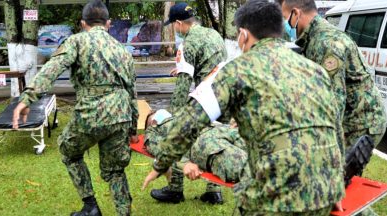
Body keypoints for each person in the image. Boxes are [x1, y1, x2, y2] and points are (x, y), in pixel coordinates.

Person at [142, 0, 344, 214]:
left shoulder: (236, 71)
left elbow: (189, 122)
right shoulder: (315, 70)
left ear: (244, 35)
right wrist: (336, 184)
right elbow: (334, 127)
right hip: (322, 191)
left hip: (272, 194)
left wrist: (161, 164)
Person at [12, 1, 138, 215]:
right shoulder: (122, 49)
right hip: (121, 113)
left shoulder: (76, 41)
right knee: (115, 169)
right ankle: (124, 212)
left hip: (91, 113)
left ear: (82, 23)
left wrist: (27, 98)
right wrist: (133, 127)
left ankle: (90, 207)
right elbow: (132, 91)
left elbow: (53, 67)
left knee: (68, 151)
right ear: (108, 24)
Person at [278, 0, 386, 152]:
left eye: (284, 17)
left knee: (330, 168)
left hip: (360, 124)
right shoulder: (314, 38)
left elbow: (332, 104)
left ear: (296, 13)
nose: (284, 25)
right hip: (353, 117)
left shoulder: (326, 43)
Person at [152, 2, 228, 204]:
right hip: (224, 97)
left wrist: (174, 116)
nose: (175, 30)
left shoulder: (187, 43)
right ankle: (214, 191)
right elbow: (214, 66)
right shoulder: (214, 35)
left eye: (173, 26)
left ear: (178, 23)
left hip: (205, 101)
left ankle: (175, 189)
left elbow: (183, 85)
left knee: (180, 135)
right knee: (217, 143)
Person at [143, 109, 248, 204]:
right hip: (220, 130)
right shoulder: (187, 116)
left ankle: (175, 191)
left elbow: (161, 150)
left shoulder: (154, 128)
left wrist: (185, 163)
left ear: (153, 122)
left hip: (206, 142)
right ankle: (213, 192)